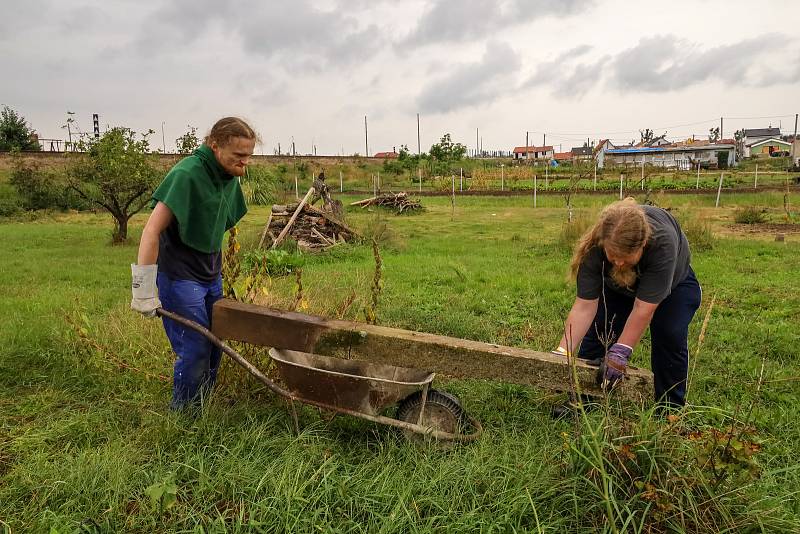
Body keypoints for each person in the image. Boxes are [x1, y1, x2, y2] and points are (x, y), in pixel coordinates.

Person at [130, 117, 257, 410]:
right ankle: (184, 416)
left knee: (216, 344)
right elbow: (151, 230)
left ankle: (203, 403)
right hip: (179, 274)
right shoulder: (187, 174)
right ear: (215, 145)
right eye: (238, 155)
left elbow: (213, 224)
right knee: (196, 346)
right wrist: (143, 290)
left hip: (210, 272)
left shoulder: (227, 176)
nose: (244, 163)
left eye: (248, 156)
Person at [554, 198, 702, 409]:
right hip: (619, 286)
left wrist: (620, 352)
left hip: (673, 286)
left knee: (669, 332)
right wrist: (563, 353)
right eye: (613, 256)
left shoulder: (662, 243)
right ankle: (583, 400)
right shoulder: (594, 248)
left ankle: (670, 408)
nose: (619, 263)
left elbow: (643, 309)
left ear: (643, 245)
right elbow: (584, 307)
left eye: (626, 257)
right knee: (600, 329)